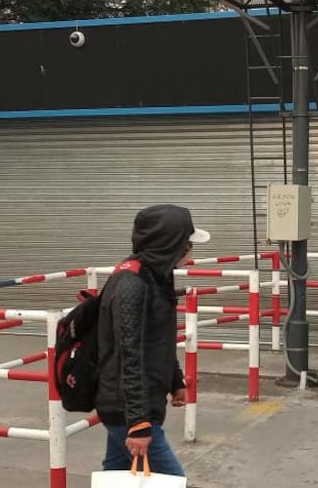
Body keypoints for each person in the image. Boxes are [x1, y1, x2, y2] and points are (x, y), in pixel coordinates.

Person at [94, 204, 209, 477]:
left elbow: (159, 339)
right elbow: (129, 355)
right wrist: (139, 424)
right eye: (187, 244)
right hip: (126, 406)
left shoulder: (156, 277)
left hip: (132, 403)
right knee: (172, 479)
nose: (190, 251)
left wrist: (175, 380)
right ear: (172, 245)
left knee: (116, 472)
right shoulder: (133, 284)